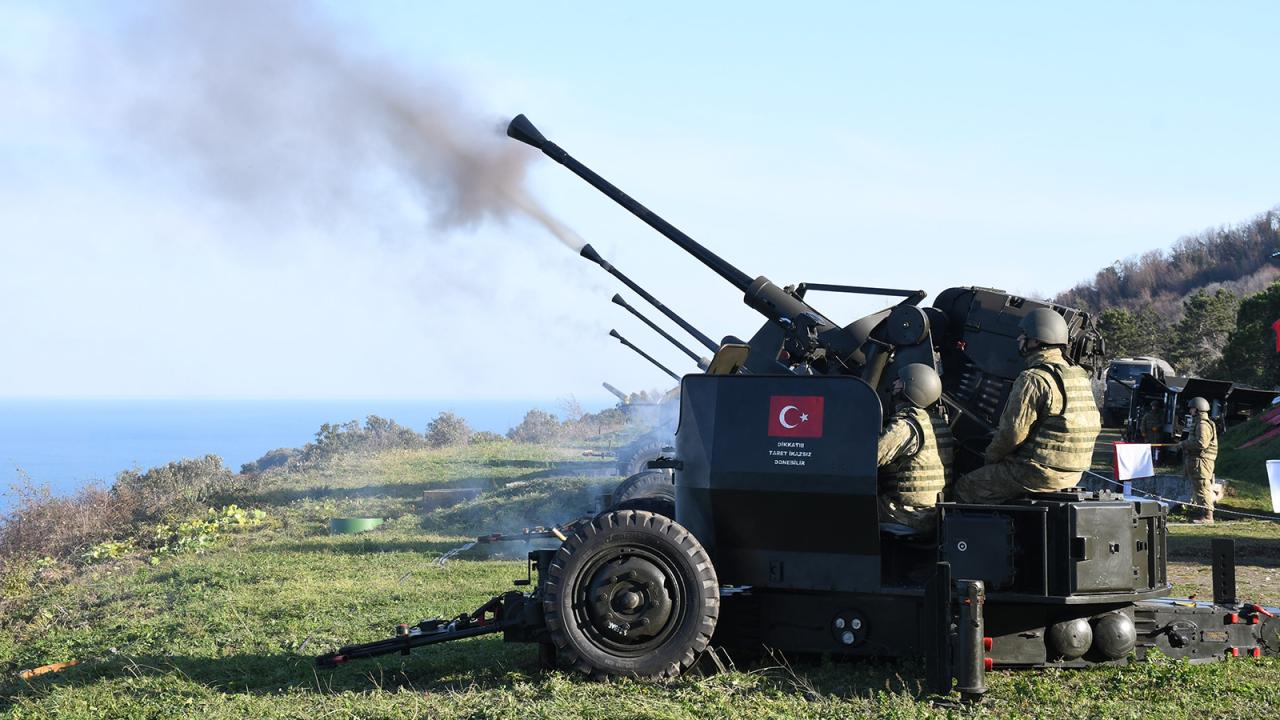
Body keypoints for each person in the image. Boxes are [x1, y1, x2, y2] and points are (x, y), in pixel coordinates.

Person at [953, 308, 1102, 505]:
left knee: (965, 487)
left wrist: (990, 458)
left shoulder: (1033, 379)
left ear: (1037, 341)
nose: (1018, 340)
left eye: (1024, 335)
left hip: (1036, 473)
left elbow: (1013, 433)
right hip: (1073, 473)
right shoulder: (1078, 376)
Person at [877, 363, 956, 532]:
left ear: (910, 387)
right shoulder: (939, 423)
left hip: (907, 516)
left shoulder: (906, 427)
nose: (894, 384)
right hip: (932, 514)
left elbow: (869, 457)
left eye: (899, 381)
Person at [1179, 396, 1219, 524]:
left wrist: (1184, 444)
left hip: (1202, 461)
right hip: (1199, 461)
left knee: (1203, 487)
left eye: (1192, 409)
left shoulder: (1202, 425)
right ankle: (1204, 514)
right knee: (1199, 488)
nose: (1190, 411)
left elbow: (1202, 443)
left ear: (1198, 409)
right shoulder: (1199, 423)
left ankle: (1208, 517)